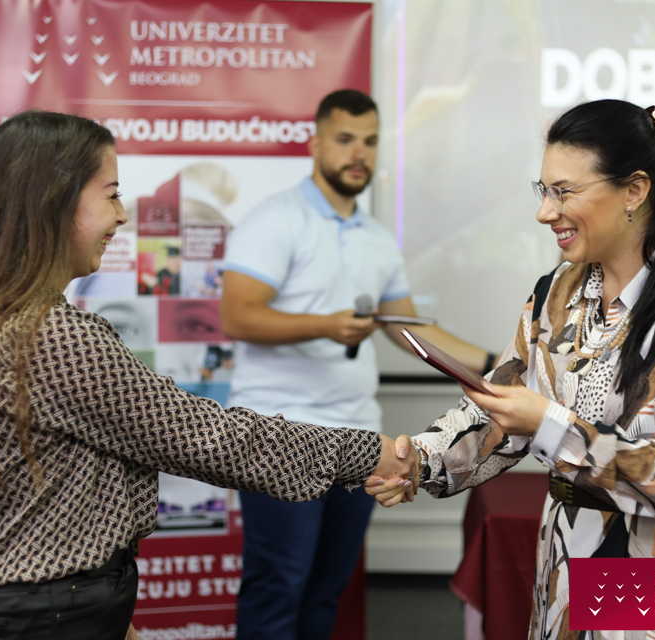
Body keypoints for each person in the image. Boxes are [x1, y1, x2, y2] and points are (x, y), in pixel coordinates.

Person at [0, 110, 417, 640]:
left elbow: (52, 490)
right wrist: (367, 453)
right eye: (112, 195)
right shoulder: (55, 336)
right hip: (43, 617)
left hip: (51, 609)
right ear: (54, 200)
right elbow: (208, 438)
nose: (122, 215)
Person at [368, 99, 655, 640]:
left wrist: (549, 424)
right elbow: (498, 407)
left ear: (635, 191)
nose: (545, 213)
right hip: (566, 558)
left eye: (564, 192)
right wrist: (417, 460)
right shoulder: (558, 291)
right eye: (543, 191)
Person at [220, 89, 493, 640]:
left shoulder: (375, 238)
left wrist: (496, 365)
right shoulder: (276, 219)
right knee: (278, 588)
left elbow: (405, 326)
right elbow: (238, 316)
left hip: (356, 438)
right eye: (345, 140)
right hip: (279, 435)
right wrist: (324, 324)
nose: (358, 154)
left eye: (369, 142)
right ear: (316, 144)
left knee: (326, 592)